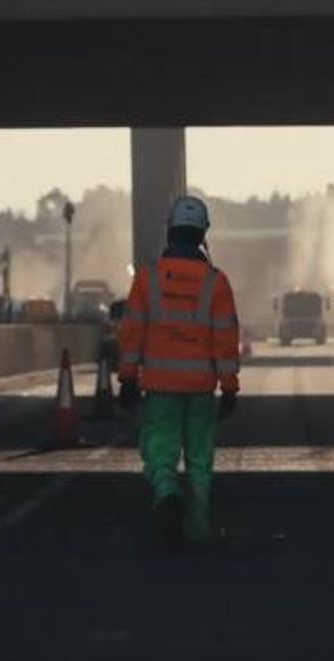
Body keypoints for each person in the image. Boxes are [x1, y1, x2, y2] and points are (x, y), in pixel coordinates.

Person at [117, 196, 240, 552]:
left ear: (170, 230)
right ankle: (198, 524)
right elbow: (226, 337)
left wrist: (127, 378)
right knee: (200, 457)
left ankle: (167, 492)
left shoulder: (147, 278)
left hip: (160, 386)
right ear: (203, 234)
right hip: (201, 388)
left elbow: (132, 332)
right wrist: (229, 388)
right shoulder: (216, 283)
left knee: (159, 451)